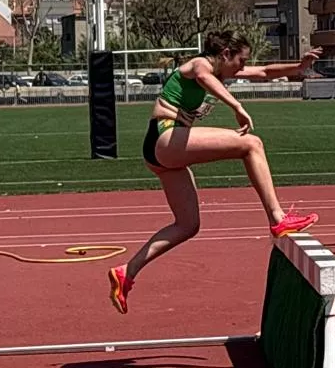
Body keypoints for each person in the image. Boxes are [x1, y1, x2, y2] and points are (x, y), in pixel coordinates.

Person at [108, 33, 322, 314]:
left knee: (188, 224)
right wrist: (238, 107)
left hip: (162, 151)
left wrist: (298, 67)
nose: (241, 67)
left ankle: (127, 272)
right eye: (240, 60)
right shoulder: (199, 64)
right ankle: (278, 218)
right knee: (251, 144)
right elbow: (204, 77)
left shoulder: (221, 70)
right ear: (224, 53)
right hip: (166, 135)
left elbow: (266, 71)